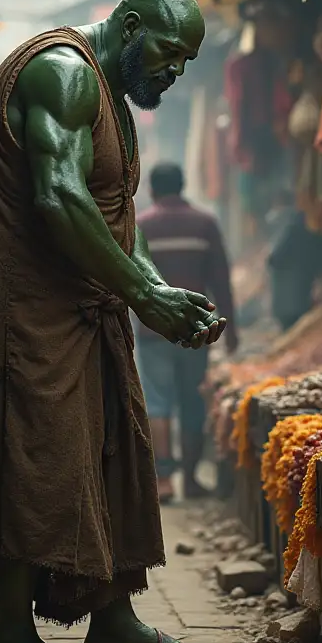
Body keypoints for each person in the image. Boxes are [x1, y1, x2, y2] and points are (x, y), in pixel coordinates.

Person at [0, 0, 226, 643]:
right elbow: (59, 195)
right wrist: (144, 292)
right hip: (27, 312)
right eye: (170, 53)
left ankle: (113, 625)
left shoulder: (111, 94)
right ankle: (13, 638)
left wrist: (160, 292)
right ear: (129, 24)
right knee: (38, 457)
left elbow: (113, 211)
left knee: (113, 446)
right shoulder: (62, 73)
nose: (175, 73)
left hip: (87, 307)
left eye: (187, 62)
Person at [136, 162, 237, 502]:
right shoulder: (205, 223)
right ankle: (191, 480)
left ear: (151, 189)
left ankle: (164, 482)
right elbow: (221, 281)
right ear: (183, 185)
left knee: (159, 402)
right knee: (192, 400)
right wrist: (231, 328)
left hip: (154, 332)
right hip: (197, 329)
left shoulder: (142, 226)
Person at [266, 196, 322, 332]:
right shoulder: (304, 223)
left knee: (292, 325)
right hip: (302, 289)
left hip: (290, 297)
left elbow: (275, 256)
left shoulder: (289, 223)